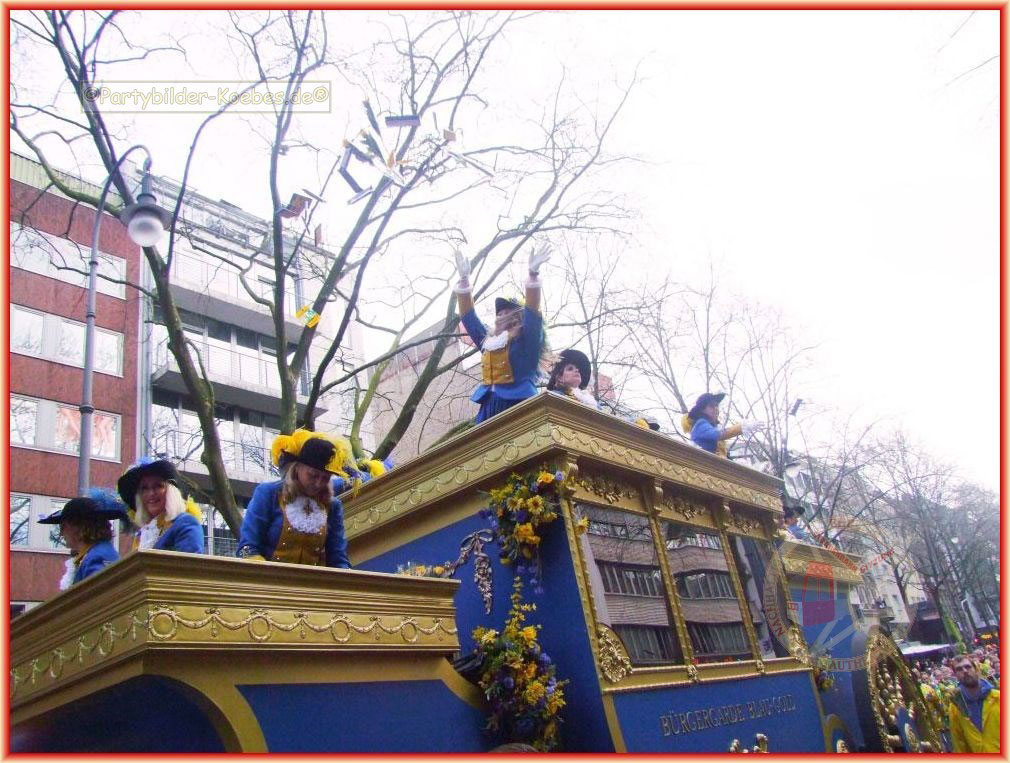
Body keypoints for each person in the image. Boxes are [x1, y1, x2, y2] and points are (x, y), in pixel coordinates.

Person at [454, 244, 551, 423]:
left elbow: (532, 314)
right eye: (499, 313)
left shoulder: (526, 340)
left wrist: (533, 275)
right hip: (489, 405)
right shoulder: (488, 341)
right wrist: (464, 281)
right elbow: (469, 318)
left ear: (518, 316)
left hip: (519, 402)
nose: (502, 315)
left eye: (507, 312)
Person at [237, 429, 352, 567]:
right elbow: (248, 548)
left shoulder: (333, 506)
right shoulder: (268, 493)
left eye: (325, 478)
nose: (318, 483)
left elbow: (338, 558)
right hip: (266, 577)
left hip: (313, 580)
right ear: (297, 468)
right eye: (313, 475)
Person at [39, 489, 130, 590]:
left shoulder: (97, 557)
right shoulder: (93, 553)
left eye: (63, 527)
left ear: (78, 527)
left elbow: (98, 595)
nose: (61, 533)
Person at [117, 457, 205, 553]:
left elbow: (189, 561)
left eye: (158, 486)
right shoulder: (142, 535)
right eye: (144, 488)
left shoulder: (185, 522)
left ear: (171, 491)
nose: (151, 493)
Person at [947, 653, 1000, 753]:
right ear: (955, 675)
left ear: (975, 669)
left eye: (968, 667)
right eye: (959, 669)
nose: (965, 671)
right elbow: (959, 743)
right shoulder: (956, 707)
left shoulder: (998, 697)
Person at [682, 392, 760, 457]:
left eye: (716, 405)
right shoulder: (700, 424)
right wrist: (741, 427)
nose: (716, 408)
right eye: (711, 406)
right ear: (702, 410)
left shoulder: (712, 426)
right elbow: (717, 435)